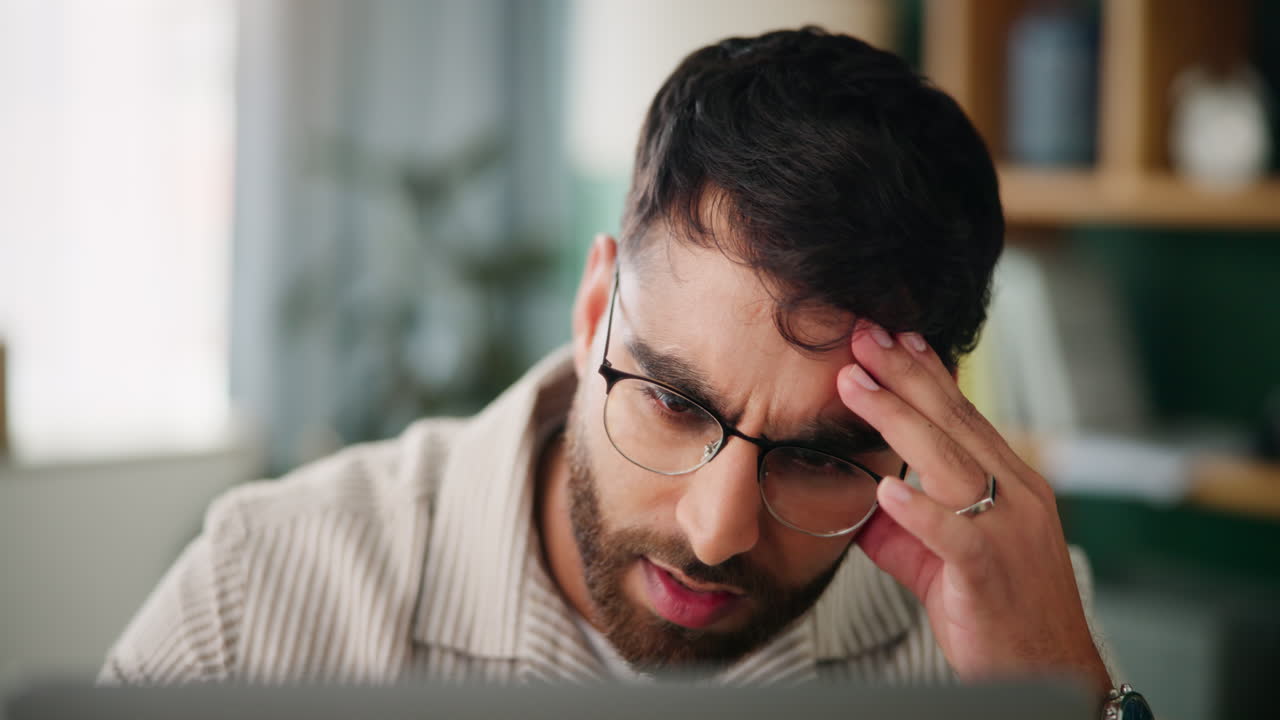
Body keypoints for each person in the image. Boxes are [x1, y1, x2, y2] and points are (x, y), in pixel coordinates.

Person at [101, 27, 1121, 703]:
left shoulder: (1000, 633)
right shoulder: (262, 594)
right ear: (594, 309)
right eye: (674, 402)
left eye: (817, 460)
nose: (716, 532)